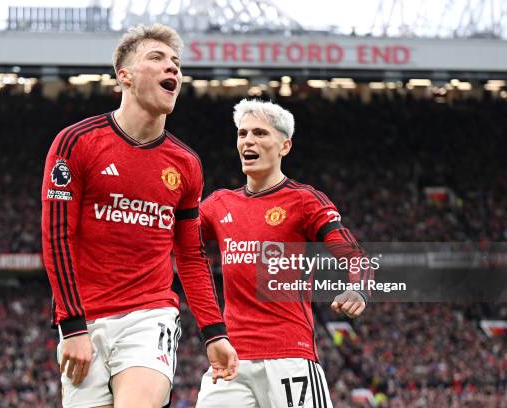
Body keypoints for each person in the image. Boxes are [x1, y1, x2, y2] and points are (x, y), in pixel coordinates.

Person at [41, 23, 238, 408]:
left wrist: (215, 333)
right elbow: (57, 238)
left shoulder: (186, 164)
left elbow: (192, 257)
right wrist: (73, 327)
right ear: (124, 76)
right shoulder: (75, 143)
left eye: (176, 63)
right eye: (158, 58)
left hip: (151, 316)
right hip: (86, 319)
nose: (173, 69)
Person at [196, 99, 372, 408]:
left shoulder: (304, 201)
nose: (248, 140)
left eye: (261, 133)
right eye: (242, 134)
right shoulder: (218, 205)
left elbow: (355, 255)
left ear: (284, 146)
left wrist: (359, 288)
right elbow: (166, 239)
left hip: (289, 357)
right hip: (232, 359)